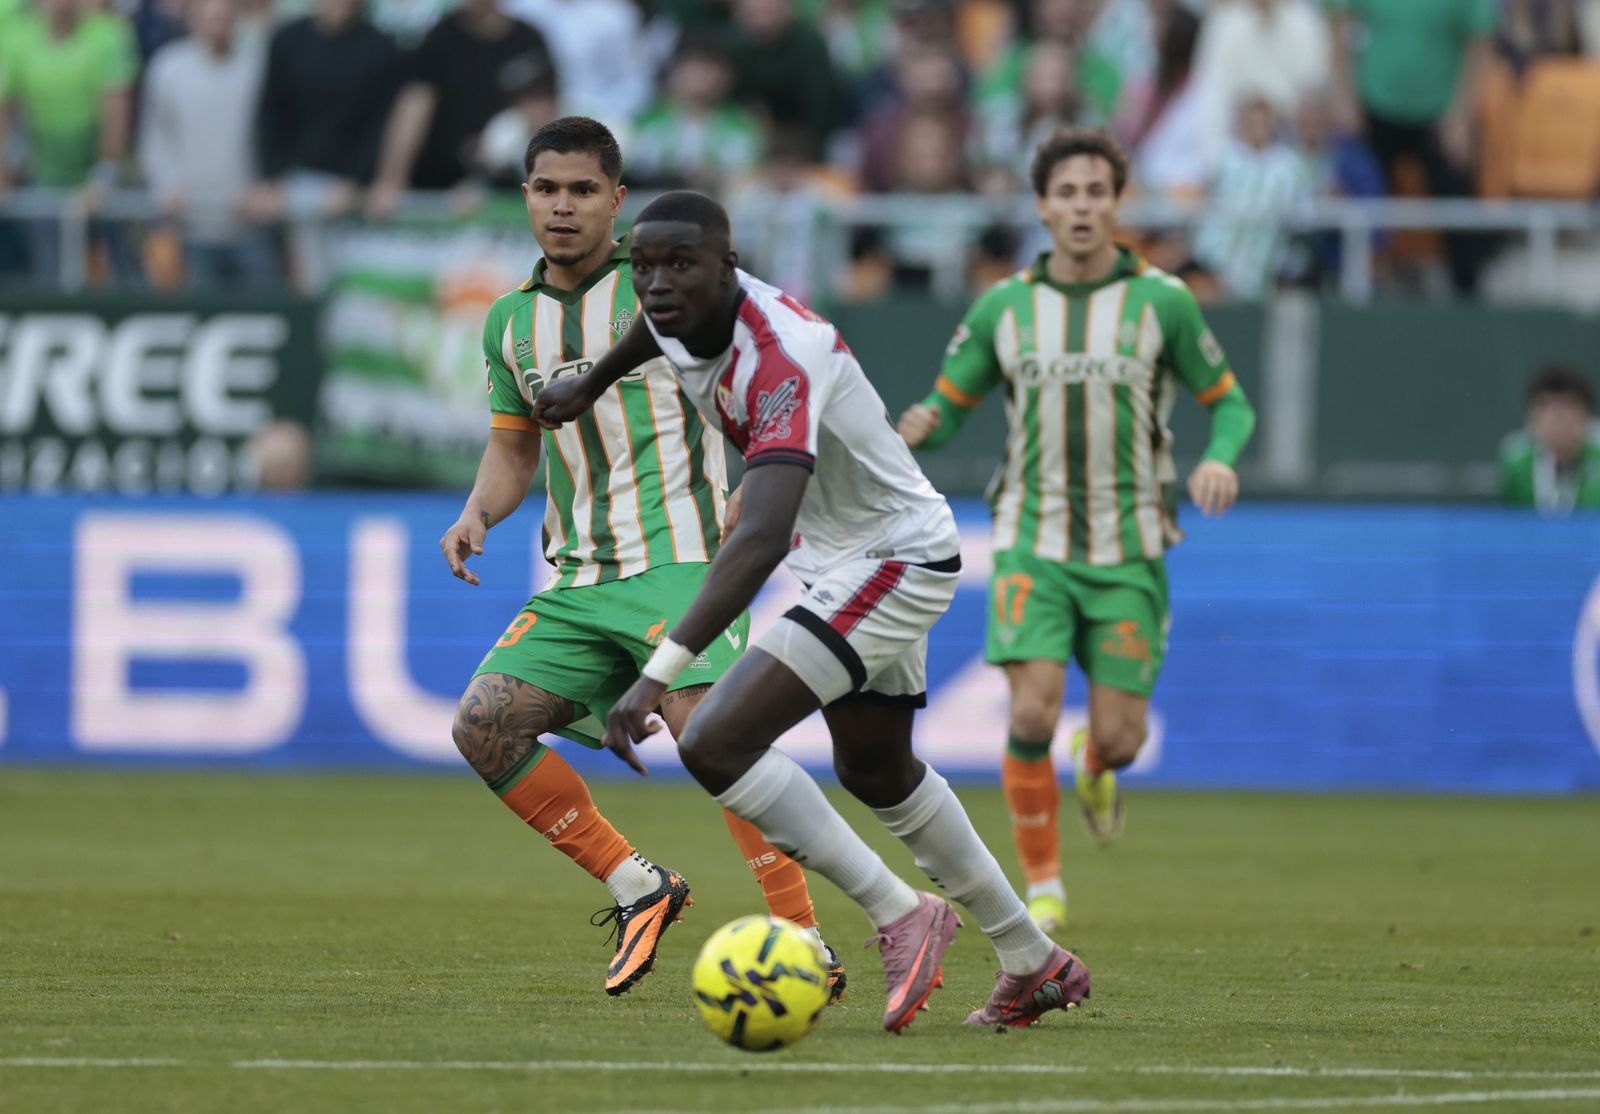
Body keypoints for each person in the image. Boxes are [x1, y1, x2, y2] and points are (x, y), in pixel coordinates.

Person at [530, 190, 1092, 1032]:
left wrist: (657, 676)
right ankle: (1032, 960)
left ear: (731, 265)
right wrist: (590, 383)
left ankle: (900, 913)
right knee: (875, 770)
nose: (656, 286)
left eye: (680, 265)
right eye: (644, 267)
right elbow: (655, 330)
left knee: (716, 739)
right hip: (857, 554)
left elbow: (757, 541)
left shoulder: (783, 356)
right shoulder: (680, 311)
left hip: (891, 557)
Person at [437, 117, 843, 1001]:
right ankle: (638, 886)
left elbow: (783, 358)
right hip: (579, 577)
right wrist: (478, 511)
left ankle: (803, 937)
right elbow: (514, 450)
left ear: (617, 201)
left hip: (685, 558)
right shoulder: (509, 323)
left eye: (583, 190)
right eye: (547, 189)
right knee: (483, 724)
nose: (564, 206)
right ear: (526, 198)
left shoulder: (667, 287)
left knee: (712, 738)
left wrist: (761, 469)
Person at [897, 127, 1256, 934]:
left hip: (1131, 545)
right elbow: (950, 405)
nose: (1082, 206)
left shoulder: (1163, 300)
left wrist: (1222, 457)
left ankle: (1097, 765)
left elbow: (1228, 400)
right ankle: (1045, 884)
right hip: (1034, 535)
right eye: (1067, 193)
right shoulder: (1005, 307)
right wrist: (924, 422)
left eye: (1097, 192)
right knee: (1029, 715)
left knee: (1123, 738)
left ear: (1117, 204)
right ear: (1042, 206)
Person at [1500, 364, 1600, 513]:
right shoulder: (1516, 464)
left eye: (1568, 407)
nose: (1558, 418)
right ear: (1531, 417)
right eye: (1547, 408)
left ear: (1586, 416)